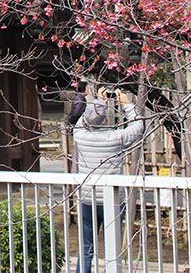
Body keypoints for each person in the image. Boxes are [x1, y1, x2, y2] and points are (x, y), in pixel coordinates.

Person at [72, 88, 145, 273]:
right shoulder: (116, 138)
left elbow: (83, 121)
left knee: (86, 246)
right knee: (112, 247)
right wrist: (126, 104)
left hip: (87, 197)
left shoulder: (79, 135)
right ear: (105, 119)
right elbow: (138, 128)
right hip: (111, 200)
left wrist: (98, 101)